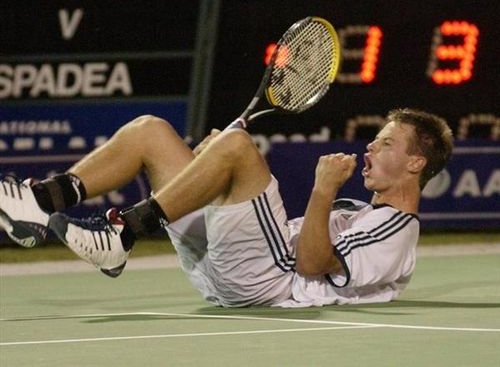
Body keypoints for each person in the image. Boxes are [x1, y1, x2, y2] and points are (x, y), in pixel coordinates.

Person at [0, 108, 453, 307]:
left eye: (387, 142)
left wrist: (321, 190)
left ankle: (122, 233)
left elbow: (312, 262)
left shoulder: (396, 227)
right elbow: (262, 230)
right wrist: (209, 173)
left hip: (270, 285)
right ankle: (40, 202)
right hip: (228, 268)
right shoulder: (359, 209)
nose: (371, 146)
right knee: (151, 131)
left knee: (237, 146)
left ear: (416, 162)